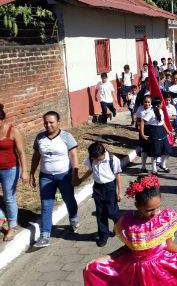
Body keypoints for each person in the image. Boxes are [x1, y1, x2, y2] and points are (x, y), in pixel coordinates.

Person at [29, 111, 79, 247]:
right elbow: (36, 156)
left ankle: (74, 219)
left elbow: (74, 156)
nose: (48, 125)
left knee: (69, 199)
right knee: (46, 205)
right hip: (45, 177)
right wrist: (31, 173)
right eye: (45, 122)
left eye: (51, 122)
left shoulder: (66, 137)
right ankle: (45, 235)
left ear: (58, 122)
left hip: (64, 175)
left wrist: (75, 174)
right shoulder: (40, 138)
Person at [75, 142, 122, 247]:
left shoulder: (113, 160)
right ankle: (103, 235)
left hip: (110, 188)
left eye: (99, 158)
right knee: (100, 213)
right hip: (98, 188)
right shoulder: (92, 158)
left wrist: (119, 192)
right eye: (95, 159)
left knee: (112, 212)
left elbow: (118, 176)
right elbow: (90, 170)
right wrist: (81, 180)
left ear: (104, 152)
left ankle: (120, 227)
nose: (97, 160)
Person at [0, 104, 28, 241]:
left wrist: (25, 172)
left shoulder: (13, 131)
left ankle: (12, 226)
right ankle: (1, 216)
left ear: (2, 118)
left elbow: (21, 153)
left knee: (9, 198)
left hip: (10, 169)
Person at [140, 97, 172, 174]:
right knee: (155, 152)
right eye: (162, 103)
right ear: (158, 104)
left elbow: (162, 121)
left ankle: (162, 164)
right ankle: (154, 169)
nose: (163, 105)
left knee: (166, 150)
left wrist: (167, 130)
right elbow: (142, 121)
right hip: (154, 131)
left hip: (162, 131)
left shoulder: (161, 111)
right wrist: (142, 134)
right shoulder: (150, 112)